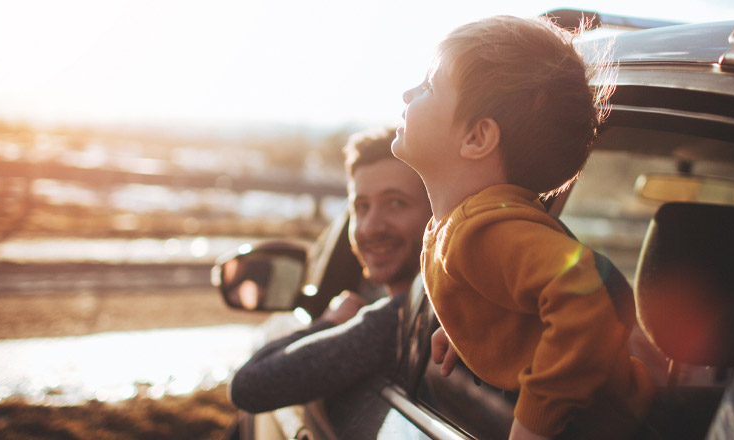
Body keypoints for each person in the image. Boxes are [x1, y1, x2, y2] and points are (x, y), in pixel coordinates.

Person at [391, 16, 655, 439]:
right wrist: (479, 330)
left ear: (477, 138)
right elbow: (526, 289)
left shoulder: (482, 230)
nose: (407, 93)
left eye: (428, 86)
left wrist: (535, 420)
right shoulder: (479, 222)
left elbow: (594, 299)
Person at [228, 127, 432, 413]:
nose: (370, 227)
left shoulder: (398, 321)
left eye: (396, 202)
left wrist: (331, 323)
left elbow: (249, 387)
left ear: (437, 214)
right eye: (360, 207)